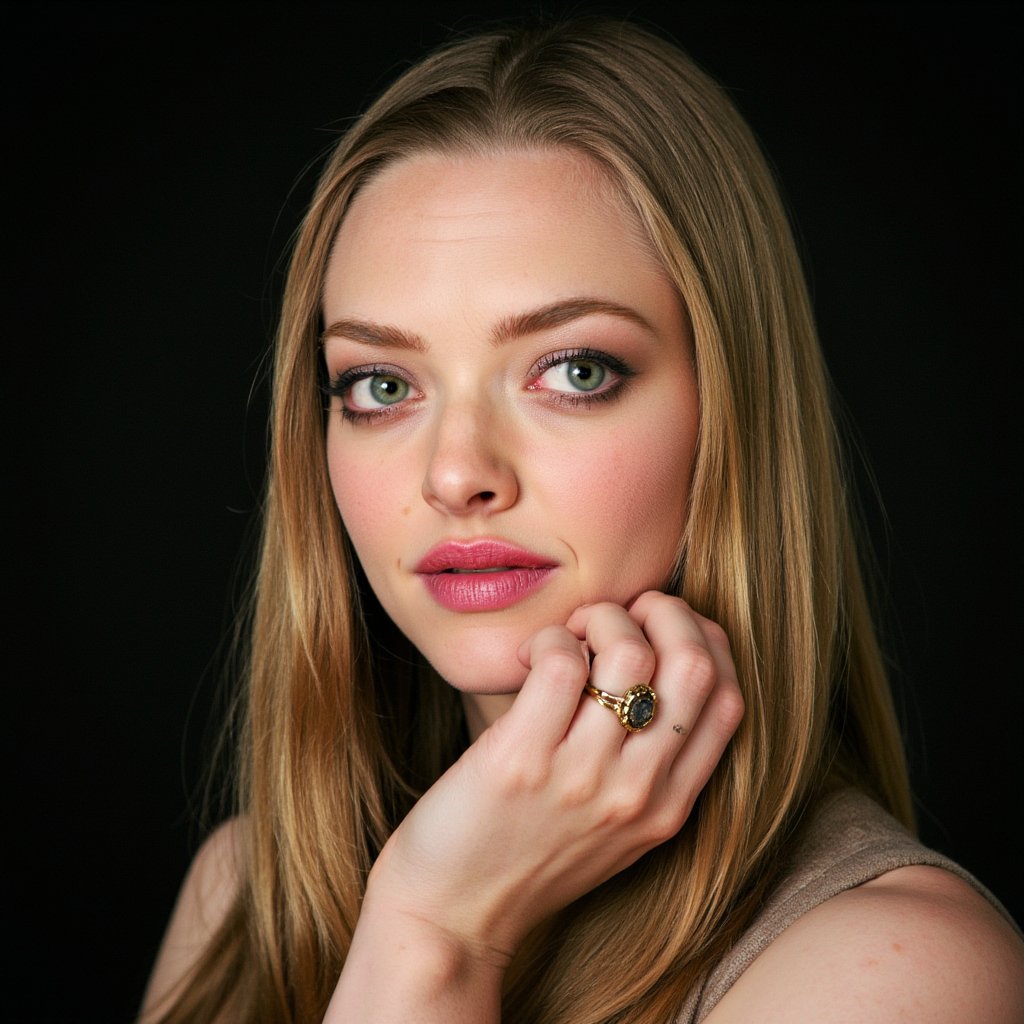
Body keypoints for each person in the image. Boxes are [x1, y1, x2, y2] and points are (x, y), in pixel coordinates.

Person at [139, 17, 1024, 1023]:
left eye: (574, 370)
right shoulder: (243, 899)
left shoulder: (894, 971)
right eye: (382, 383)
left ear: (728, 414)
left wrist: (438, 936)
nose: (456, 472)